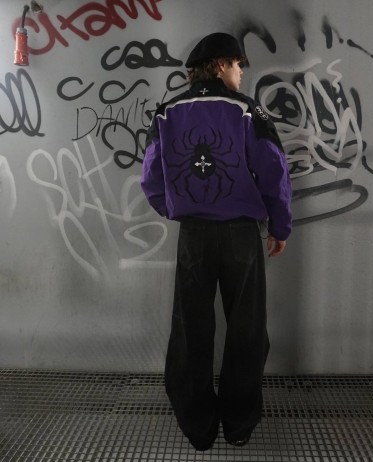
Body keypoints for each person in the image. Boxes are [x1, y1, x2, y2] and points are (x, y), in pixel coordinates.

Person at [141, 32, 292, 451]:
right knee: (247, 330)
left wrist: (176, 208)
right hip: (241, 236)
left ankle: (198, 428)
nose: (241, 74)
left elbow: (150, 178)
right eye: (239, 65)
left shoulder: (167, 113)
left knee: (190, 329)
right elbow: (275, 170)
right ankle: (238, 425)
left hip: (193, 236)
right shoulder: (247, 110)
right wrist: (280, 226)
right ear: (222, 64)